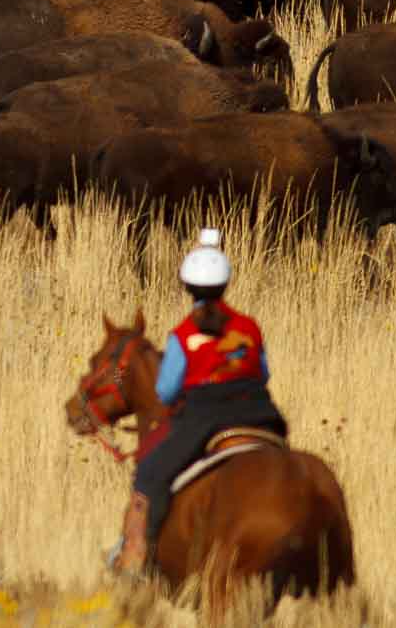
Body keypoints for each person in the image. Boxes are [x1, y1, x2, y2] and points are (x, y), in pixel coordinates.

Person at [111, 229, 287, 576]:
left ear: (186, 286)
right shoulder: (249, 327)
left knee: (149, 473)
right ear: (227, 283)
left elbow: (166, 391)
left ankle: (137, 555)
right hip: (261, 412)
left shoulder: (184, 335)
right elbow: (263, 374)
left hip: (207, 416)